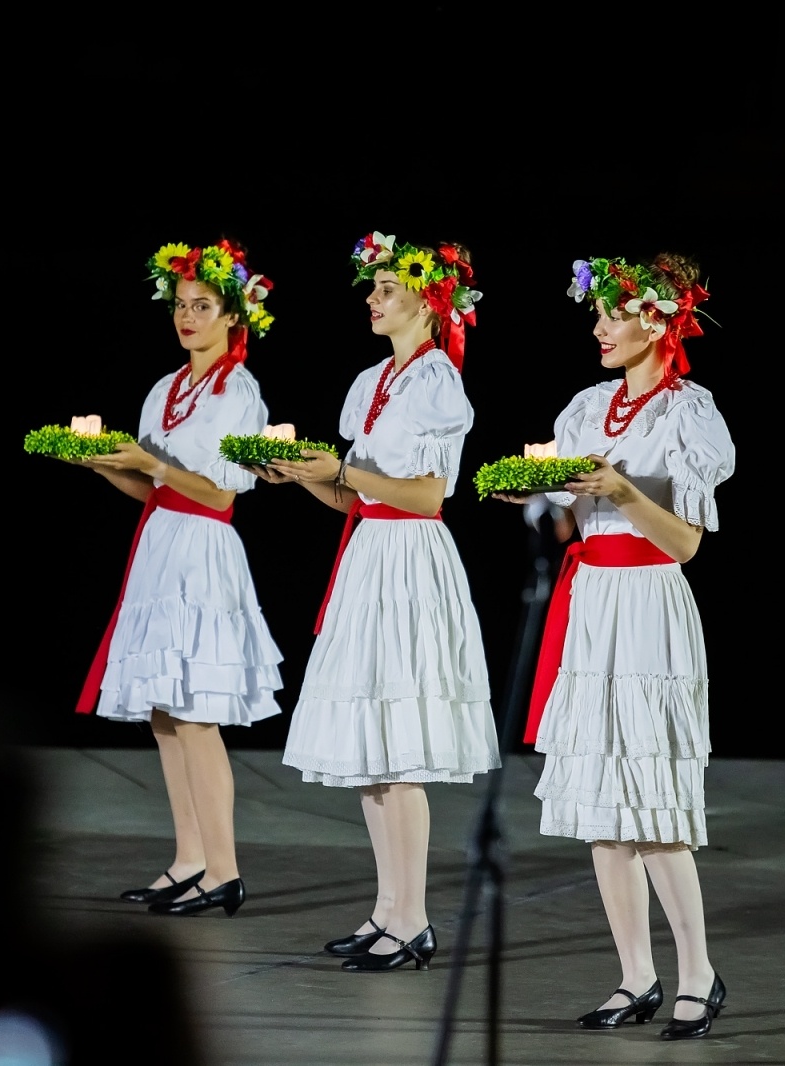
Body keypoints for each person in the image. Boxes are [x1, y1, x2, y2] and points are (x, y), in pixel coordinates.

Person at [502, 253, 733, 1039]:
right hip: (591, 598)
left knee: (653, 799)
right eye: (595, 313)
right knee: (603, 801)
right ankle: (636, 973)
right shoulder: (586, 405)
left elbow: (688, 543)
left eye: (614, 312)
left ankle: (699, 973)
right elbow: (566, 515)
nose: (598, 327)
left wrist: (628, 492)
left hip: (648, 599)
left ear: (659, 321)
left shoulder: (688, 413)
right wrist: (530, 493)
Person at [259, 230, 499, 971]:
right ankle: (387, 909)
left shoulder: (437, 383)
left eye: (388, 289)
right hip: (367, 554)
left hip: (410, 560)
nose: (373, 298)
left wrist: (347, 474)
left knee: (399, 749)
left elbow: (426, 494)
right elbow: (353, 496)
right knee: (370, 752)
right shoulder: (369, 383)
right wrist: (304, 475)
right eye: (374, 288)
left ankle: (415, 919)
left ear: (429, 301)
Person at [76, 239, 284, 918]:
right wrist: (102, 465)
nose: (187, 317)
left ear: (233, 316)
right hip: (161, 544)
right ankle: (188, 858)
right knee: (165, 715)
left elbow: (220, 495)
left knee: (196, 715)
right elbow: (152, 491)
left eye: (203, 306)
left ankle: (223, 868)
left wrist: (154, 466)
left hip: (204, 549)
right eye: (181, 306)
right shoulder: (166, 389)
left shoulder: (238, 392)